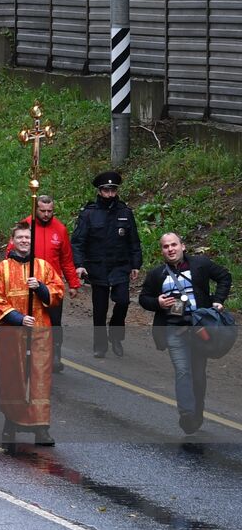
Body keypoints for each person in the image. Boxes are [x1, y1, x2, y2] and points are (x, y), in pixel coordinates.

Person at [139, 232, 233, 433]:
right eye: (166, 246)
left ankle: (197, 411)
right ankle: (187, 414)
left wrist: (218, 300)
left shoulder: (200, 265)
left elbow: (225, 276)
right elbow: (144, 298)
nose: (170, 249)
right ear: (162, 250)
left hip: (199, 330)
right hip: (174, 331)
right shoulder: (157, 274)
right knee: (183, 371)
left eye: (174, 245)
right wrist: (158, 302)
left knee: (198, 375)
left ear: (183, 246)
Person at [0, 222, 65, 446]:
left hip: (40, 331)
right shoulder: (1, 268)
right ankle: (10, 424)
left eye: (28, 238)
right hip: (13, 333)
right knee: (13, 377)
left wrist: (41, 287)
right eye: (20, 237)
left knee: (40, 379)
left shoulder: (43, 266)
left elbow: (58, 292)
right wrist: (19, 318)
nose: (24, 241)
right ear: (13, 240)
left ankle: (41, 427)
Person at [70, 170, 143, 358]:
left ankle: (116, 336)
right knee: (100, 308)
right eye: (106, 190)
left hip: (120, 265)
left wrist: (136, 264)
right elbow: (78, 242)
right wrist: (79, 264)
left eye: (113, 190)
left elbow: (133, 241)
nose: (110, 194)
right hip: (98, 266)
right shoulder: (89, 214)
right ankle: (100, 344)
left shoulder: (125, 213)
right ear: (100, 191)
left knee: (124, 301)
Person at [22, 194, 79, 370]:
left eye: (50, 211)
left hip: (53, 285)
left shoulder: (60, 229)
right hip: (30, 282)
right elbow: (13, 252)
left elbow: (67, 259)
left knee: (54, 321)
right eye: (43, 211)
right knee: (30, 320)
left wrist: (73, 283)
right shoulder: (26, 226)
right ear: (35, 209)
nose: (46, 214)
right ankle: (27, 353)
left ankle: (55, 354)